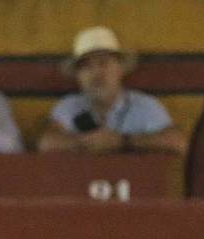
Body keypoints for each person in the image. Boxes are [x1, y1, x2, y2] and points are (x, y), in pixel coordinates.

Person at [38, 27, 188, 155]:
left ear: (120, 68)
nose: (96, 73)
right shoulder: (69, 106)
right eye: (86, 66)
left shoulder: (145, 106)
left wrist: (124, 141)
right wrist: (89, 142)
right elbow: (46, 143)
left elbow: (177, 142)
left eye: (103, 63)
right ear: (78, 76)